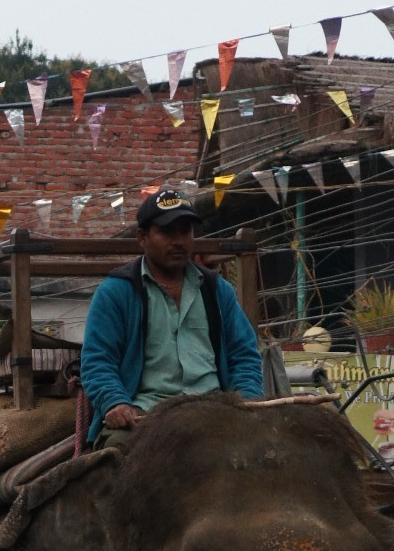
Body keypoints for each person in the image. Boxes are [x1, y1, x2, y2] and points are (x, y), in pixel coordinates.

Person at [80, 188, 264, 440]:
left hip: (216, 411)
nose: (178, 241)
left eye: (185, 231)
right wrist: (114, 402)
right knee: (115, 456)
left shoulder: (217, 290)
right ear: (142, 237)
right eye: (167, 232)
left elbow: (244, 355)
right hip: (145, 415)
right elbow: (97, 361)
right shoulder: (116, 292)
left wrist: (248, 400)